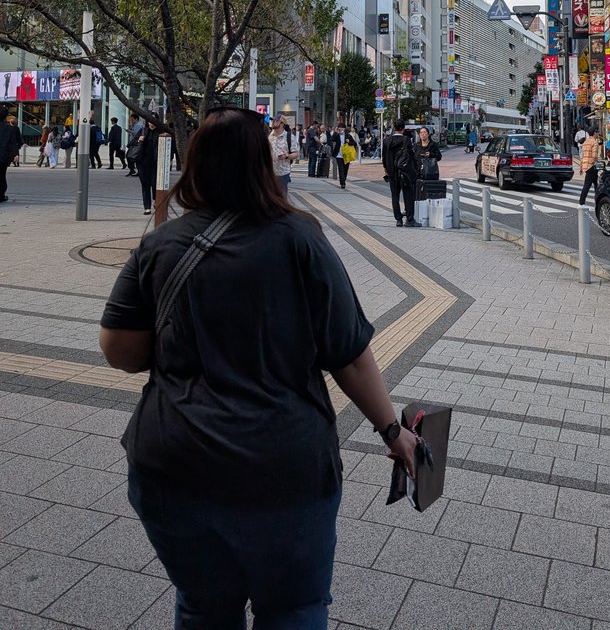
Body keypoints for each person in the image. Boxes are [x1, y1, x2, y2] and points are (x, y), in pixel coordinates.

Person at [98, 106, 416, 630]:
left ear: (193, 163)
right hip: (283, 468)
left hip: (173, 464)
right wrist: (393, 430)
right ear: (262, 165)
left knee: (203, 606)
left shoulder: (159, 246)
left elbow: (120, 351)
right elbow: (349, 354)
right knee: (293, 608)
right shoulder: (301, 239)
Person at [382, 118, 421, 227]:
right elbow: (411, 156)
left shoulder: (387, 140)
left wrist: (386, 169)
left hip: (392, 172)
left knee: (395, 196)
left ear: (394, 127)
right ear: (403, 128)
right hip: (405, 172)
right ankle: (409, 219)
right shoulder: (406, 140)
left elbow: (384, 157)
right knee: (408, 195)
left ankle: (398, 220)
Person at [136, 115, 160, 215]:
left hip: (156, 163)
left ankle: (155, 199)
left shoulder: (161, 132)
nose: (151, 123)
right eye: (150, 121)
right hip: (143, 163)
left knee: (155, 184)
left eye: (153, 120)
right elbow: (131, 143)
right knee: (145, 185)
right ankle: (147, 207)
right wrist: (139, 140)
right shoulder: (143, 131)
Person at [268, 114, 297, 194]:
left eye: (276, 121)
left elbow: (295, 154)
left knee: (282, 197)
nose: (273, 122)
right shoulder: (269, 136)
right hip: (270, 172)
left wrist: (286, 156)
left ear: (282, 124)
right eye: (273, 120)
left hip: (283, 173)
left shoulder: (289, 137)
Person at [0, 107, 24, 202]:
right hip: (3, 156)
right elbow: (12, 143)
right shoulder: (10, 129)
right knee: (2, 176)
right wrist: (15, 154)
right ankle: (1, 195)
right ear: (6, 116)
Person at [578, 126, 601, 206]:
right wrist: (597, 165)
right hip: (592, 166)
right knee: (587, 184)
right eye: (597, 132)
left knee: (596, 184)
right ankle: (581, 202)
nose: (598, 134)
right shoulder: (594, 142)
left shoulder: (585, 142)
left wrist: (581, 167)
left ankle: (597, 200)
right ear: (594, 133)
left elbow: (582, 156)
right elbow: (594, 156)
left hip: (586, 165)